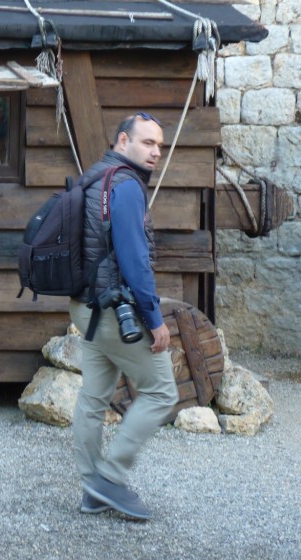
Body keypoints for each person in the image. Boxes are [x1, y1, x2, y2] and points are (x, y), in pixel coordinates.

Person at [70, 112, 178, 520]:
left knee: (93, 398)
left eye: (159, 146)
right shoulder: (127, 186)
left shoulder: (95, 176)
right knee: (162, 391)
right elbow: (134, 260)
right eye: (147, 143)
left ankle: (91, 490)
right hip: (115, 311)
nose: (155, 152)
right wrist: (154, 318)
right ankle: (109, 478)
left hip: (85, 308)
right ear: (122, 141)